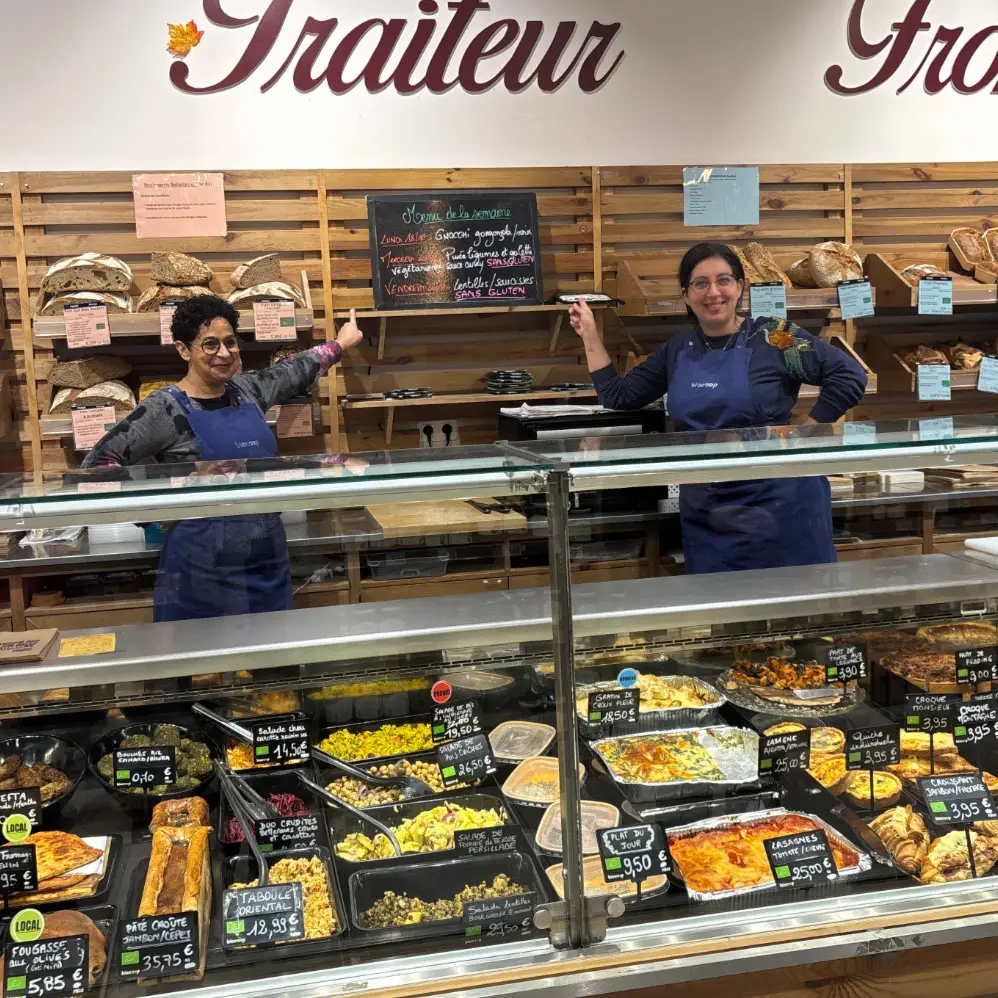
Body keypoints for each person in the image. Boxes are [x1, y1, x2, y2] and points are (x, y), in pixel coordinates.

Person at [569, 242, 868, 575]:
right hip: (710, 511)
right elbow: (618, 395)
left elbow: (849, 376)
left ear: (739, 286)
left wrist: (807, 428)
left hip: (783, 506)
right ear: (686, 295)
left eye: (723, 280)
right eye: (701, 283)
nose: (713, 292)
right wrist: (589, 335)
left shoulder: (774, 337)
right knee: (718, 603)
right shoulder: (678, 350)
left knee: (793, 600)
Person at [82, 294, 363, 621]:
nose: (225, 353)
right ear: (183, 350)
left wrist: (341, 343)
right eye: (210, 344)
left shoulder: (247, 391)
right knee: (204, 654)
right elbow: (96, 468)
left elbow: (294, 370)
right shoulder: (164, 409)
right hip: (200, 571)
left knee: (272, 650)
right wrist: (162, 506)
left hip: (266, 562)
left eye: (230, 342)